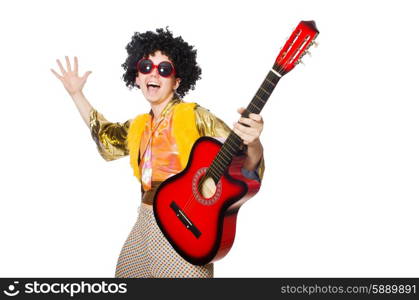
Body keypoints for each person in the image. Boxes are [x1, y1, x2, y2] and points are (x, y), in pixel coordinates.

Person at [51, 28, 265, 278]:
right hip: (144, 221)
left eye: (164, 69)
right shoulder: (139, 126)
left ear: (177, 81)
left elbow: (240, 163)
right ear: (137, 77)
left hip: (185, 225)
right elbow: (106, 138)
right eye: (146, 67)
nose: (154, 73)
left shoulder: (196, 116)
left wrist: (254, 143)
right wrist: (77, 94)